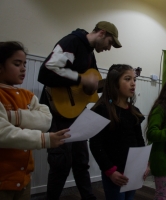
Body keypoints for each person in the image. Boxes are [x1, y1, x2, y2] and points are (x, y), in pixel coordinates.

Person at [38, 21, 122, 200]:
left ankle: (88, 197)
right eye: (109, 42)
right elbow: (46, 71)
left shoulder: (90, 54)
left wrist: (114, 81)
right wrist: (79, 79)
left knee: (81, 160)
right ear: (101, 33)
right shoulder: (72, 42)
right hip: (57, 110)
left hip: (76, 113)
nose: (109, 48)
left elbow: (94, 86)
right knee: (61, 162)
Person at [0, 41, 70, 200]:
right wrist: (44, 139)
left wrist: (12, 116)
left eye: (25, 63)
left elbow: (45, 120)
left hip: (24, 179)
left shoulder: (28, 95)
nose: (24, 68)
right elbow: (3, 133)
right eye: (17, 64)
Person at [89, 64, 149, 200]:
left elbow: (139, 141)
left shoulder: (134, 111)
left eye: (134, 79)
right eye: (127, 79)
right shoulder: (102, 110)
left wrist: (144, 164)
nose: (133, 84)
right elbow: (95, 145)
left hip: (133, 172)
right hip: (115, 173)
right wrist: (110, 171)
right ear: (114, 82)